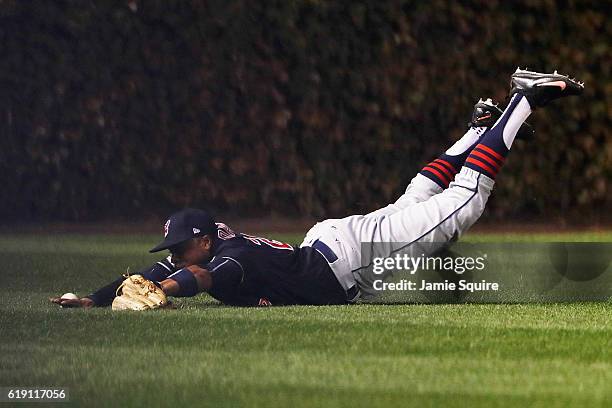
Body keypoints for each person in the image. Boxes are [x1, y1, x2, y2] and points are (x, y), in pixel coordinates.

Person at [50, 68, 584, 308]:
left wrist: (164, 293)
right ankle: (478, 126)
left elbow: (194, 277)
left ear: (205, 240)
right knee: (413, 203)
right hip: (330, 246)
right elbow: (167, 267)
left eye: (182, 245)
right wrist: (96, 300)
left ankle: (522, 102)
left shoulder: (230, 259)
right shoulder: (215, 247)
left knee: (460, 204)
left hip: (344, 259)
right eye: (175, 249)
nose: (176, 254)